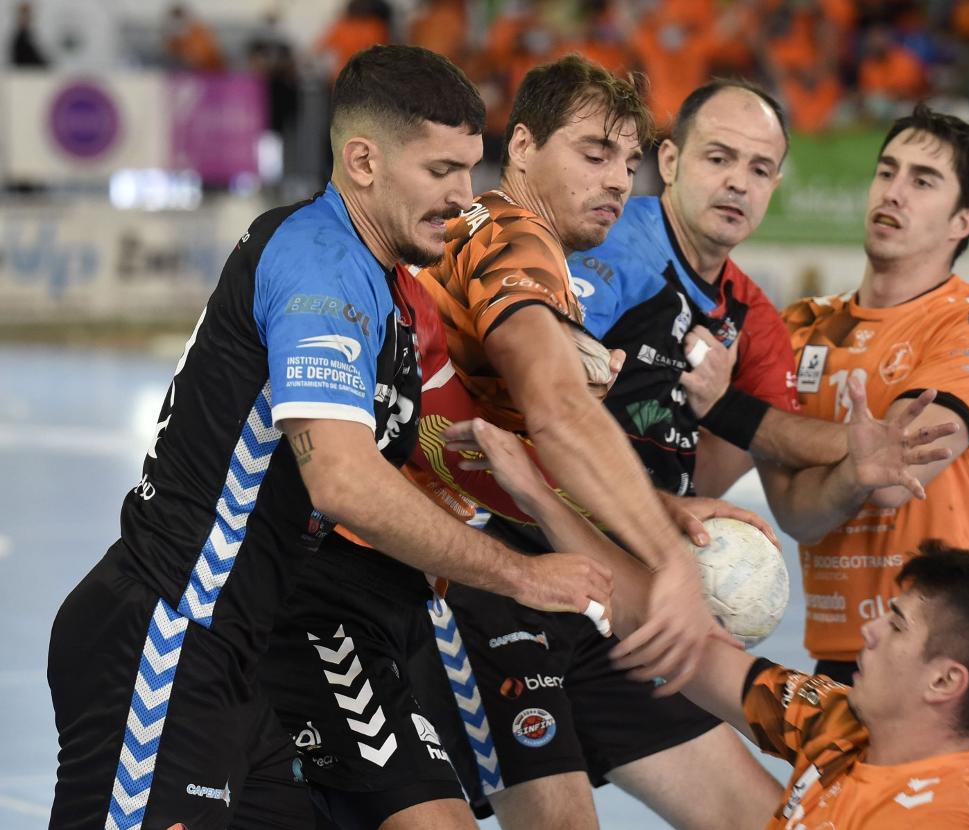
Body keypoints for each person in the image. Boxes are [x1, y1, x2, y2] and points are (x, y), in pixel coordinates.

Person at [46, 45, 610, 830]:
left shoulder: (396, 296)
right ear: (363, 161)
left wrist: (608, 490)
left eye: (469, 169)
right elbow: (343, 484)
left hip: (238, 660)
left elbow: (441, 445)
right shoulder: (317, 260)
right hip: (167, 638)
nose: (463, 197)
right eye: (440, 170)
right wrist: (522, 577)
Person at [263, 54, 774, 830]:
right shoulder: (510, 233)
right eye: (594, 154)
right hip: (393, 579)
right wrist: (667, 561)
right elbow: (557, 413)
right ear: (525, 148)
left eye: (628, 163)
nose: (616, 182)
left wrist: (652, 509)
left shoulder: (512, 252)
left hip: (439, 573)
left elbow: (520, 452)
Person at [442, 408, 969, 830]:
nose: (871, 629)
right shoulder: (838, 721)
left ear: (944, 682)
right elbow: (687, 645)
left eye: (897, 626)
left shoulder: (927, 817)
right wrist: (535, 497)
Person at [776, 103, 969, 827]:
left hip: (941, 669)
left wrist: (817, 448)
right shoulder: (801, 330)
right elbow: (797, 510)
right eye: (887, 171)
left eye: (923, 181)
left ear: (962, 223)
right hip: (840, 663)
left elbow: (909, 449)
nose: (892, 191)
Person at [568, 78, 955, 510]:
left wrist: (855, 445)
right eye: (719, 159)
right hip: (550, 519)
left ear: (774, 185)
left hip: (642, 534)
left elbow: (767, 439)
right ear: (670, 161)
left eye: (760, 169)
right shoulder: (610, 247)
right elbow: (535, 394)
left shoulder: (755, 319)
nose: (739, 183)